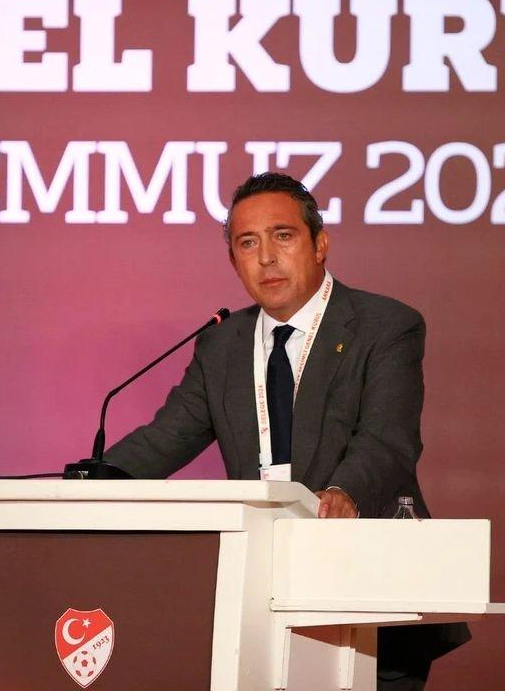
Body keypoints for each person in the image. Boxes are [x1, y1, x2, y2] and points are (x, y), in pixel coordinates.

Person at [104, 172, 469, 690]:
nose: (267, 258)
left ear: (320, 244)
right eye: (247, 243)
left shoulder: (385, 326)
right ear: (233, 260)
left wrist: (344, 492)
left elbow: (388, 440)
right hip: (261, 592)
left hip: (369, 588)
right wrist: (86, 484)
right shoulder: (222, 344)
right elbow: (165, 438)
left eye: (283, 236)